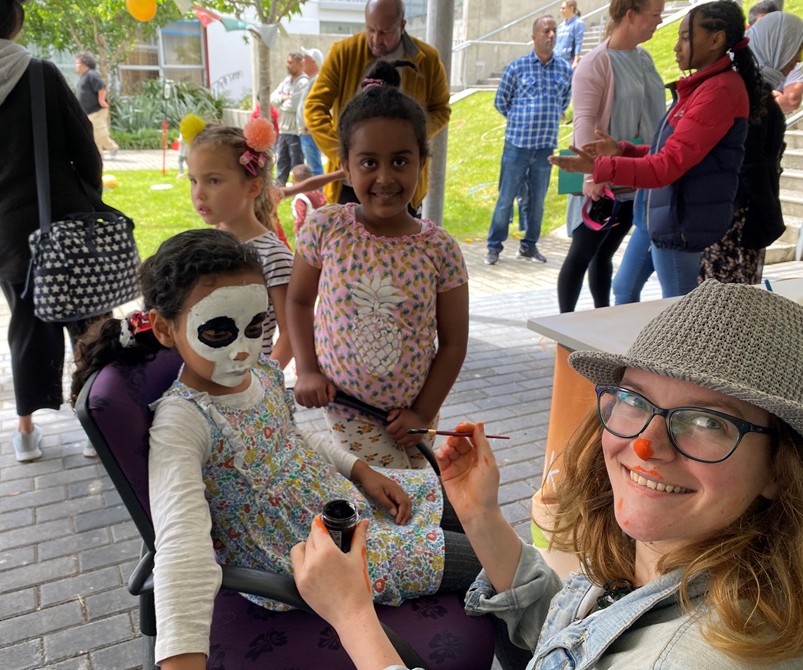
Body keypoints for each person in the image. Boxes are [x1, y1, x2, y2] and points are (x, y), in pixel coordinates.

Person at [291, 279, 803, 670]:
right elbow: (580, 636)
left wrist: (353, 618)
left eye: (707, 421)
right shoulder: (673, 556)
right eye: (634, 399)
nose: (646, 445)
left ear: (782, 470)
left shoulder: (694, 656)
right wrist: (481, 514)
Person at [69, 228, 483, 670]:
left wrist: (362, 471)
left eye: (255, 326)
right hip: (305, 554)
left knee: (470, 508)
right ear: (166, 329)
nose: (244, 350)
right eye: (218, 331)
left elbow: (293, 438)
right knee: (487, 559)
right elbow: (180, 548)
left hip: (338, 504)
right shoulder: (183, 423)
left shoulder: (262, 372)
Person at [0, 0, 103, 462]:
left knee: (27, 325)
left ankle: (27, 432)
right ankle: (95, 424)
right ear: (16, 20)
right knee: (87, 322)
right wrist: (89, 193)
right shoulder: (41, 74)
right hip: (68, 220)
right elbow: (83, 147)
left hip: (7, 231)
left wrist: (0, 207)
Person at [289, 60, 469, 470]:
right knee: (397, 500)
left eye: (400, 161)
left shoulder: (441, 249)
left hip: (417, 413)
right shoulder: (326, 228)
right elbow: (299, 302)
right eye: (369, 162)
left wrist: (423, 413)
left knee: (412, 494)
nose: (385, 177)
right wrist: (307, 370)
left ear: (422, 162)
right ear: (346, 166)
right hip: (348, 408)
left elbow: (454, 343)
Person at [551, 1, 767, 299]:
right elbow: (667, 148)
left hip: (679, 216)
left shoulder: (718, 90)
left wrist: (599, 167)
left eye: (686, 37)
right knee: (623, 288)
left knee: (679, 310)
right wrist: (622, 150)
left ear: (716, 40)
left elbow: (667, 164)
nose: (677, 46)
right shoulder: (702, 85)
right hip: (660, 210)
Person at [556, 0, 666, 313]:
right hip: (603, 179)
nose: (659, 21)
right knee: (582, 255)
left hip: (636, 174)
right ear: (630, 15)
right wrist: (592, 176)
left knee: (604, 255)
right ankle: (565, 330)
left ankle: (600, 320)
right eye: (655, 14)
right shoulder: (596, 62)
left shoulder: (643, 57)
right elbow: (584, 121)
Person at [304, 0, 451, 213]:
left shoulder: (427, 59)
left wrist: (412, 135)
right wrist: (343, 153)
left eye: (385, 32)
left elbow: (441, 109)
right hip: (349, 186)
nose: (376, 39)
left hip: (401, 187)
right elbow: (314, 107)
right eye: (370, 30)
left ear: (402, 26)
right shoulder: (343, 53)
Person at [179, 113, 294, 370]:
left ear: (252, 187)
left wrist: (261, 382)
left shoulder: (273, 257)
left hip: (245, 388)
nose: (199, 193)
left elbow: (291, 333)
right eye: (194, 181)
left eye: (214, 181)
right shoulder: (201, 248)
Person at [701, 12, 803, 285]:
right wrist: (771, 215)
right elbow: (751, 166)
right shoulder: (757, 99)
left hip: (726, 216)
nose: (797, 60)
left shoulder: (744, 87)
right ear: (778, 46)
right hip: (738, 223)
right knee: (729, 309)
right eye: (797, 50)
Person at [484, 15, 572, 266]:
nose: (551, 35)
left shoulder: (565, 69)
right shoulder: (517, 67)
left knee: (538, 204)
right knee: (505, 200)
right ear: (534, 36)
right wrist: (520, 120)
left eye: (554, 30)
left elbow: (563, 102)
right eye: (546, 31)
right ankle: (494, 247)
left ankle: (529, 246)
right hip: (516, 146)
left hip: (545, 148)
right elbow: (501, 101)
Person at [270, 52, 309, 186]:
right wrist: (282, 98)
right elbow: (272, 98)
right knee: (282, 162)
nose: (288, 65)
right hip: (283, 130)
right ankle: (279, 189)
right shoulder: (286, 81)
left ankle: (300, 188)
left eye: (291, 63)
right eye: (287, 62)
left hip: (295, 132)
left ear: (300, 64)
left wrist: (283, 101)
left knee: (296, 164)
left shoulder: (303, 82)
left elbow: (293, 105)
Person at [74, 51, 119, 159]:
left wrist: (101, 100)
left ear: (85, 64)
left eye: (77, 63)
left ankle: (112, 147)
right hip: (87, 112)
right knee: (92, 134)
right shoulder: (84, 76)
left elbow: (101, 87)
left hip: (96, 110)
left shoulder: (92, 74)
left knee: (99, 132)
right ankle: (98, 155)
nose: (76, 66)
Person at [297, 46, 325, 177]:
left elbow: (316, 105)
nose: (302, 61)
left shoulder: (317, 80)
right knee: (312, 165)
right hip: (306, 131)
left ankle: (317, 195)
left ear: (313, 61)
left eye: (305, 58)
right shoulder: (312, 80)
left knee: (314, 167)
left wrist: (309, 125)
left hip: (309, 131)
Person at [288, 163, 327, 235]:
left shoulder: (300, 198)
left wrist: (297, 227)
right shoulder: (316, 192)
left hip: (306, 230)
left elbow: (301, 215)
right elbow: (324, 201)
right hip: (319, 226)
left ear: (298, 183)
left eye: (294, 182)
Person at [555, 0, 586, 69]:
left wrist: (576, 60)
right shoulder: (561, 26)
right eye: (561, 8)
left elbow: (578, 43)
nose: (561, 11)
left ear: (571, 8)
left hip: (569, 61)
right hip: (557, 61)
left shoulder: (578, 23)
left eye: (563, 8)